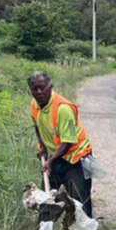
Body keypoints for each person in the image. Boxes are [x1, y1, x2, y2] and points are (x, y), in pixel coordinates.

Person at [28, 71, 95, 216]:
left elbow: (68, 142)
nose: (39, 92)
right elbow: (38, 126)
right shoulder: (34, 105)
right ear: (30, 90)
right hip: (56, 156)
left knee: (79, 202)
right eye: (35, 89)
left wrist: (50, 161)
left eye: (43, 87)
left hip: (77, 158)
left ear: (51, 87)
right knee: (47, 200)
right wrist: (43, 148)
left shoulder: (63, 108)